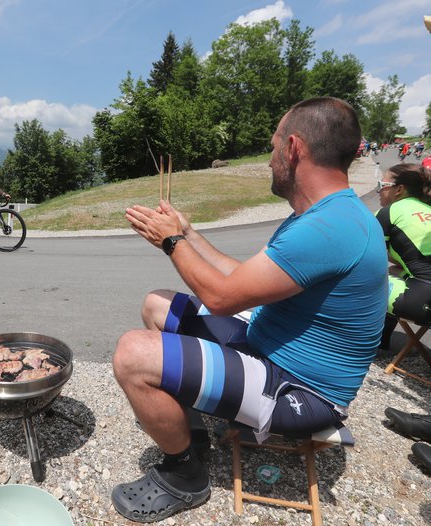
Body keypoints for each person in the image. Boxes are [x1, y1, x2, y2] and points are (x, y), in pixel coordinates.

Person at [110, 97, 388, 523]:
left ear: (294, 148)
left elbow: (222, 297)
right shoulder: (327, 214)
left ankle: (186, 477)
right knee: (157, 304)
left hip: (300, 389)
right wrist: (188, 233)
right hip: (270, 347)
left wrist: (172, 243)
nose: (269, 158)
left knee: (132, 354)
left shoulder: (328, 229)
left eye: (273, 146)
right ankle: (192, 436)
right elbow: (243, 278)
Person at [375, 163, 431, 348]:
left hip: (422, 304)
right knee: (397, 270)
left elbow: (364, 259)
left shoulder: (388, 213)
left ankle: (368, 344)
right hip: (424, 293)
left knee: (362, 279)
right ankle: (382, 342)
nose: (378, 191)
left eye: (381, 185)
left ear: (399, 189)